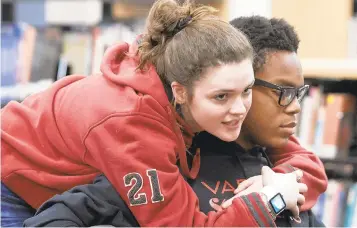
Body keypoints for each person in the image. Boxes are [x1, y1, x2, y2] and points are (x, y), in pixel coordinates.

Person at [1, 0, 306, 227]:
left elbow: (293, 151)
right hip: (10, 185)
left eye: (247, 90)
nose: (240, 109)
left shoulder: (174, 73)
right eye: (222, 96)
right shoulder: (134, 127)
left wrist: (286, 177)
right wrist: (271, 200)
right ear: (180, 91)